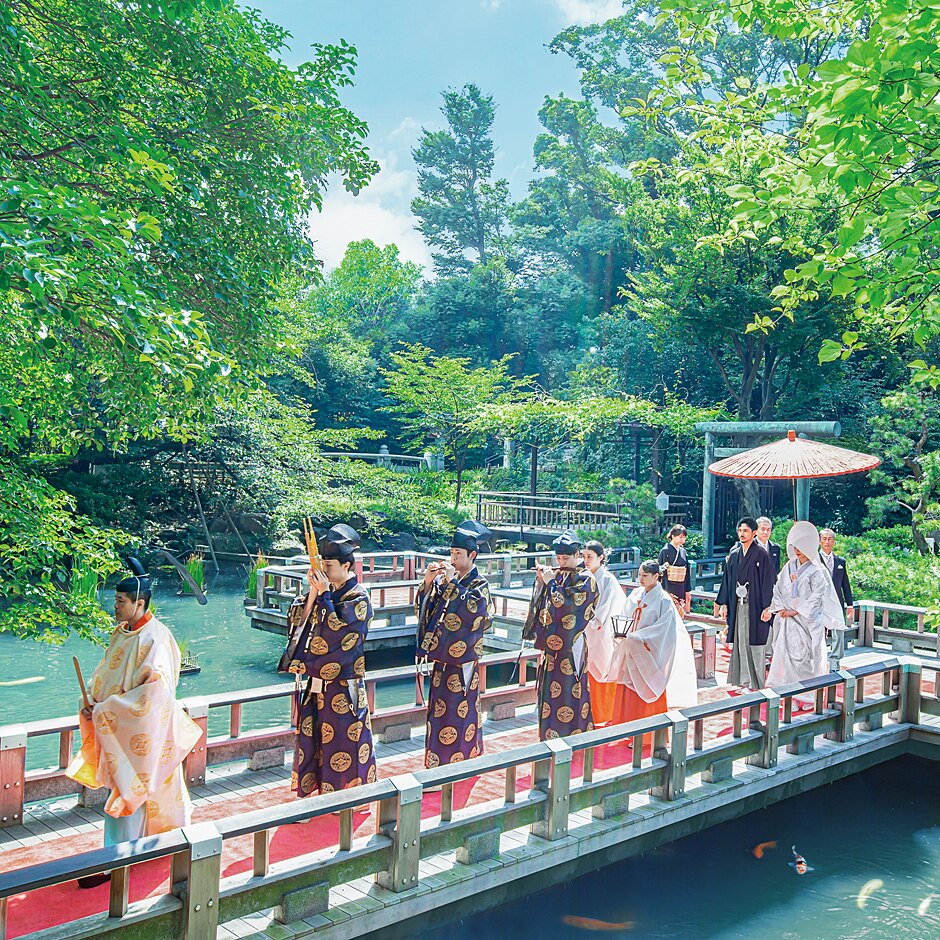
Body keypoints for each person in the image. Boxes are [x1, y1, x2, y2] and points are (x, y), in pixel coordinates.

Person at [66, 558, 201, 886]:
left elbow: (155, 694)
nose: (114, 606)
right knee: (138, 790)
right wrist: (94, 705)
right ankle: (140, 850)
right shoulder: (123, 632)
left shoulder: (155, 638)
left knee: (132, 791)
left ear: (140, 603)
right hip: (121, 726)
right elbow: (107, 673)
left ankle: (117, 862)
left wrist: (106, 710)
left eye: (120, 602)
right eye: (114, 600)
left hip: (145, 728)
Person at [283, 524, 376, 796]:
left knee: (344, 741)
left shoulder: (358, 597)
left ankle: (348, 796)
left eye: (329, 564)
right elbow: (299, 627)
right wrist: (314, 594)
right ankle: (313, 791)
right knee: (312, 740)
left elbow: (339, 636)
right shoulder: (322, 593)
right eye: (322, 564)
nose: (324, 570)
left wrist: (324, 595)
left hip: (342, 683)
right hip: (316, 682)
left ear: (347, 565)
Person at [416, 520, 494, 767]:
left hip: (463, 657)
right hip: (441, 656)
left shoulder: (479, 584)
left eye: (458, 553)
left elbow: (477, 614)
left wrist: (454, 586)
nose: (453, 558)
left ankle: (461, 756)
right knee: (440, 709)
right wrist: (428, 584)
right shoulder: (445, 581)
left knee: (459, 707)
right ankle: (438, 758)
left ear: (472, 555)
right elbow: (428, 610)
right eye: (451, 553)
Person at [523, 530, 597, 740]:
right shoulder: (558, 576)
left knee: (569, 689)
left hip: (570, 643)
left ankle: (574, 735)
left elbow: (570, 608)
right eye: (558, 558)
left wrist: (551, 584)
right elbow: (546, 605)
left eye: (566, 558)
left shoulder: (586, 579)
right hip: (550, 644)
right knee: (549, 690)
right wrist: (541, 582)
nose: (561, 562)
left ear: (577, 556)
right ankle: (548, 734)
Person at [608, 561, 698, 730]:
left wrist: (639, 637)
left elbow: (663, 630)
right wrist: (620, 630)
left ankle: (648, 733)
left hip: (648, 652)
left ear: (656, 577)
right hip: (631, 647)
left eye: (645, 576)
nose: (640, 579)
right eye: (640, 575)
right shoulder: (635, 594)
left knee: (647, 687)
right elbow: (623, 613)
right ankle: (626, 729)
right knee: (628, 689)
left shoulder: (664, 600)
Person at [767, 522, 844, 710]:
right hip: (789, 620)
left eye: (802, 547)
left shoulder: (817, 570)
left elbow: (817, 596)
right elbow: (778, 588)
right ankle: (791, 695)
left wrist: (796, 610)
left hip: (808, 621)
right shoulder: (789, 566)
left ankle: (808, 696)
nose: (798, 551)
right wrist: (779, 608)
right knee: (788, 658)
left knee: (807, 659)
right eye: (796, 546)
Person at [715, 517, 776, 691]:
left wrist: (768, 607)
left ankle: (755, 682)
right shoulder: (734, 555)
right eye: (740, 530)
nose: (742, 534)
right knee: (740, 641)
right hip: (738, 604)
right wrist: (724, 604)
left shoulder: (761, 554)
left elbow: (768, 581)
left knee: (755, 644)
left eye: (746, 531)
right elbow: (727, 580)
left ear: (754, 533)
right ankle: (743, 681)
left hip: (755, 605)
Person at [581, 540, 629, 725]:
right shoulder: (583, 576)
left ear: (601, 558)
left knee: (602, 669)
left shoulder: (608, 580)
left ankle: (604, 715)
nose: (586, 560)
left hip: (601, 633)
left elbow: (605, 610)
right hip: (584, 631)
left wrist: (589, 621)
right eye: (584, 556)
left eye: (590, 557)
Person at [819, 528, 854, 625]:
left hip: (837, 602)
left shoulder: (840, 561)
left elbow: (845, 584)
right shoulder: (815, 560)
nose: (827, 542)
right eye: (824, 539)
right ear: (819, 541)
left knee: (837, 632)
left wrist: (850, 605)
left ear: (833, 542)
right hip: (820, 602)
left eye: (830, 539)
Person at [658, 524, 692, 613]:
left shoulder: (683, 551)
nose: (682, 540)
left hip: (681, 586)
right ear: (673, 536)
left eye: (684, 537)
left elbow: (687, 572)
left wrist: (687, 590)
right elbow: (660, 572)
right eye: (680, 537)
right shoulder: (665, 551)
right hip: (668, 585)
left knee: (679, 611)